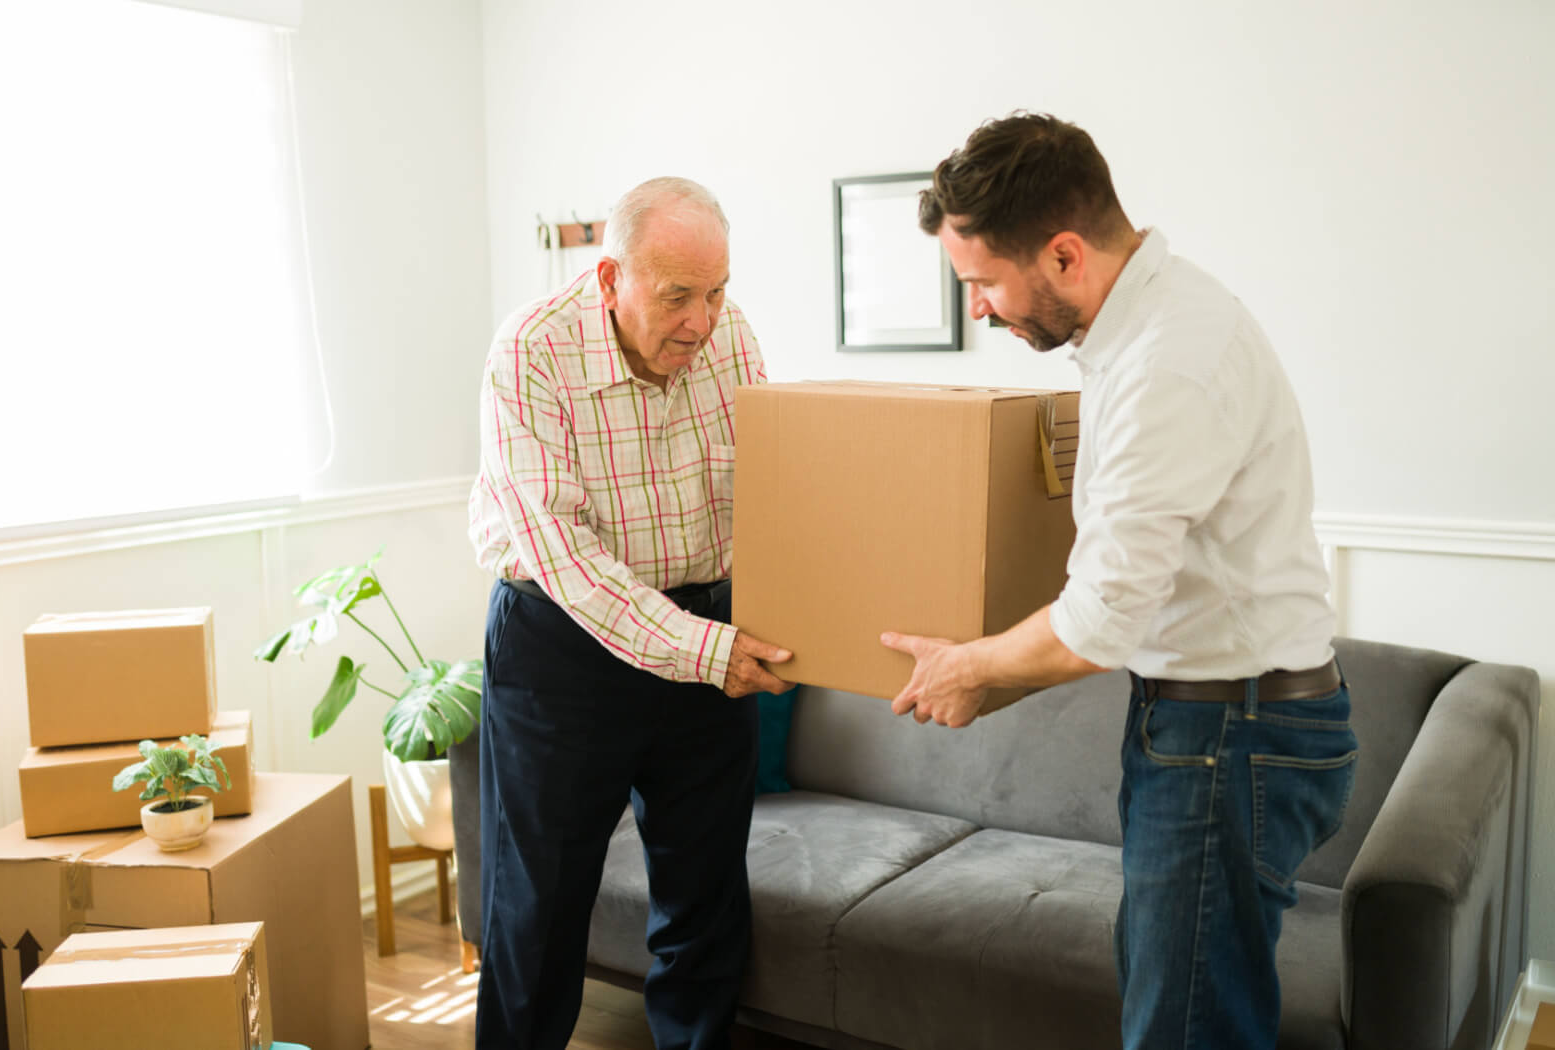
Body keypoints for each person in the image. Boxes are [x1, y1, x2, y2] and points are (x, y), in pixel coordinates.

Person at [880, 113, 1357, 1050]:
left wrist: (971, 668)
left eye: (981, 283)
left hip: (1230, 735)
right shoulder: (1139, 329)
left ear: (1063, 254)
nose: (976, 309)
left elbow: (1096, 619)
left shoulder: (1165, 365)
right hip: (1217, 721)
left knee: (1183, 1031)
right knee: (1176, 1004)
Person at [466, 176, 792, 1050]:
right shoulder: (531, 351)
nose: (702, 321)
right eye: (677, 296)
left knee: (706, 901)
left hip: (703, 632)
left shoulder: (733, 340)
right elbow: (562, 554)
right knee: (537, 910)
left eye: (717, 292)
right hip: (562, 646)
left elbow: (773, 493)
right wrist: (705, 650)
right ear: (611, 279)